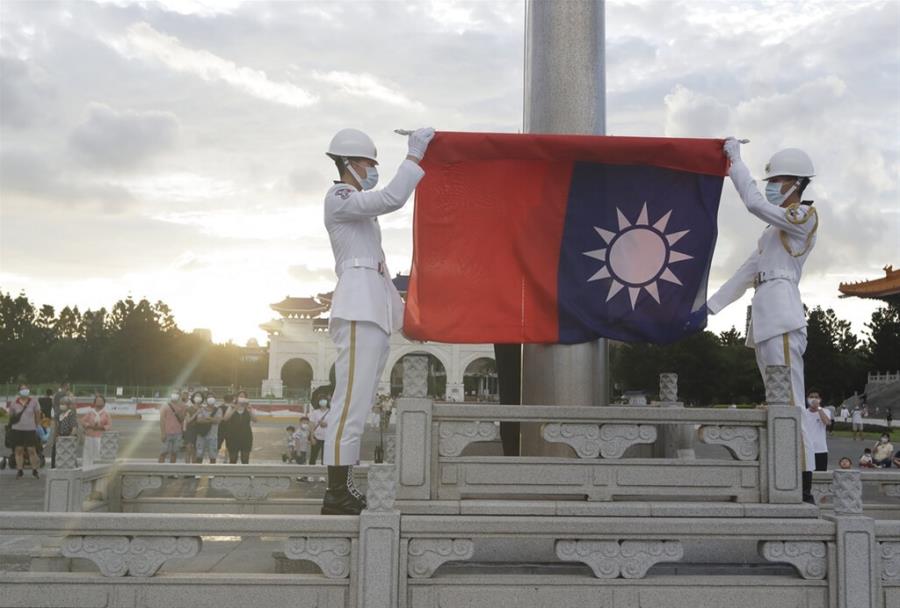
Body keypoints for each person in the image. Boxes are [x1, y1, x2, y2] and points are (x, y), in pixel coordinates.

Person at [320, 126, 435, 515]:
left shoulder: (363, 215)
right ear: (348, 163)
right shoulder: (339, 196)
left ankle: (343, 484)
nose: (372, 169)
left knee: (360, 400)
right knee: (349, 400)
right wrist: (414, 157)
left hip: (371, 310)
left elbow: (384, 276)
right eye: (369, 163)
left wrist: (407, 324)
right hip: (356, 309)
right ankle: (335, 492)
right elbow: (391, 197)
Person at [702, 140, 818, 502]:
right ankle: (784, 474)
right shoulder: (771, 233)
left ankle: (803, 482)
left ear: (796, 184)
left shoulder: (802, 216)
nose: (772, 185)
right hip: (766, 317)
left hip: (782, 316)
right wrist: (707, 310)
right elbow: (745, 273)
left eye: (778, 180)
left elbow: (754, 203)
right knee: (776, 401)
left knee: (792, 403)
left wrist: (735, 161)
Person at [7, 384, 42, 479]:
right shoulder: (14, 402)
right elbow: (11, 415)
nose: (25, 390)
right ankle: (19, 470)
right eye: (22, 389)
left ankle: (34, 470)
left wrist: (38, 425)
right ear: (19, 391)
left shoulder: (34, 401)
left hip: (30, 429)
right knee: (18, 450)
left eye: (26, 389)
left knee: (32, 450)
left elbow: (37, 414)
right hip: (17, 429)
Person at [802, 390, 830, 473]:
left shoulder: (825, 411)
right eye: (811, 397)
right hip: (806, 449)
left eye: (816, 397)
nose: (813, 399)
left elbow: (827, 422)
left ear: (820, 399)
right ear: (807, 399)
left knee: (820, 474)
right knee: (807, 474)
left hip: (820, 449)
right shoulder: (803, 412)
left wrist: (819, 408)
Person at [223, 393, 256, 464]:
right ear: (237, 398)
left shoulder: (248, 408)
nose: (242, 398)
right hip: (233, 436)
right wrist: (234, 408)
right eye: (240, 396)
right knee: (233, 458)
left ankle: (245, 474)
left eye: (244, 397)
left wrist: (250, 411)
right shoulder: (232, 407)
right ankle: (232, 474)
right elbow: (225, 418)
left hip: (246, 436)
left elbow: (255, 420)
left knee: (245, 458)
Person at [80, 395, 111, 468]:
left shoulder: (106, 414)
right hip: (89, 436)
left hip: (99, 437)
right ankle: (86, 469)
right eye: (98, 400)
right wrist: (88, 426)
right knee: (88, 454)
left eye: (101, 401)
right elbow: (82, 421)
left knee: (98, 453)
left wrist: (101, 427)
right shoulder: (90, 412)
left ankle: (96, 470)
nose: (99, 402)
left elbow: (109, 425)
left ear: (104, 403)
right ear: (94, 402)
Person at [192, 394, 221, 464]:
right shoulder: (201, 409)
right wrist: (212, 419)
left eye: (212, 397)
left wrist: (207, 418)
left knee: (213, 456)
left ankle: (212, 473)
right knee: (199, 455)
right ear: (206, 400)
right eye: (209, 397)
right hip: (201, 435)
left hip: (213, 436)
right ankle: (198, 473)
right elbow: (199, 420)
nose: (210, 399)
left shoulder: (218, 410)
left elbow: (218, 421)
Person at [158, 394, 185, 463]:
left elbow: (182, 419)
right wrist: (163, 433)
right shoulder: (164, 406)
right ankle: (159, 470)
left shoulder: (181, 407)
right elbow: (162, 420)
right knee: (163, 452)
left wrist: (179, 412)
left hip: (178, 432)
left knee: (174, 452)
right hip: (167, 433)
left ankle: (172, 470)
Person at [182, 391, 204, 464]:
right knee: (188, 449)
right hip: (190, 430)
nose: (198, 398)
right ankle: (187, 469)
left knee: (195, 450)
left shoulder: (203, 408)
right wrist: (196, 413)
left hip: (199, 430)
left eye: (200, 396)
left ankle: (193, 471)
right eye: (196, 396)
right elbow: (188, 420)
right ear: (193, 398)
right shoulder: (189, 409)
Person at [308, 397, 329, 467]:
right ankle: (310, 475)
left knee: (325, 458)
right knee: (313, 456)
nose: (323, 401)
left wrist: (326, 424)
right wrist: (312, 437)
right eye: (321, 400)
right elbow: (311, 425)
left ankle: (323, 475)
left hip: (327, 438)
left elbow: (334, 424)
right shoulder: (315, 412)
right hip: (316, 437)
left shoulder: (331, 412)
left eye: (324, 400)